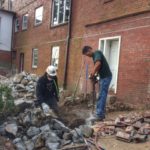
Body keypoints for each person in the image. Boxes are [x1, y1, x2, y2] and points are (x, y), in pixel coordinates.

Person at [82, 46, 112, 121]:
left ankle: (99, 114)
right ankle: (100, 113)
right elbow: (99, 67)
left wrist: (92, 73)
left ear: (89, 51)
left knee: (102, 95)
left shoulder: (97, 53)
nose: (87, 56)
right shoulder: (94, 57)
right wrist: (96, 76)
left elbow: (98, 64)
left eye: (86, 54)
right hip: (103, 78)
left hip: (106, 77)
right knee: (101, 95)